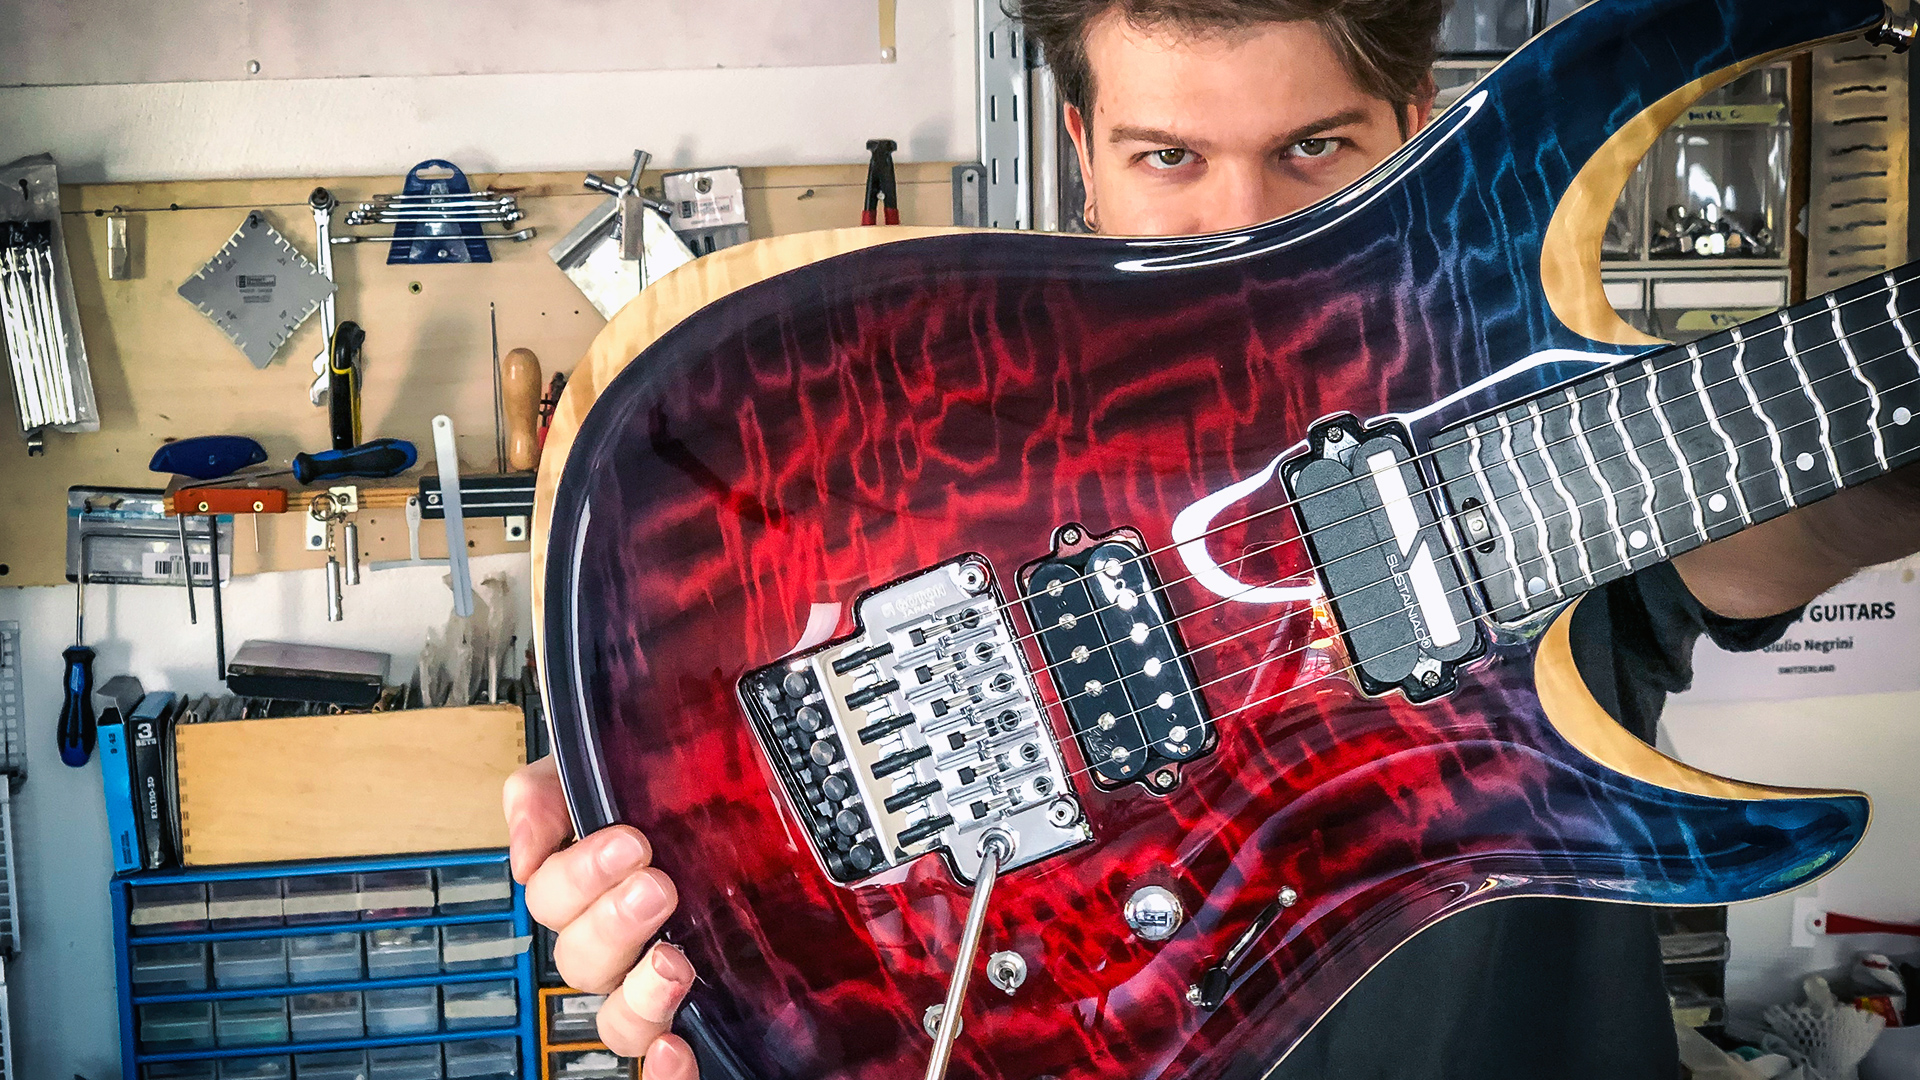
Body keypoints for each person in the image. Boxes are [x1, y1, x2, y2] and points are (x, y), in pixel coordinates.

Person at [502, 2, 1920, 1075]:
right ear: (1082, 152)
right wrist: (707, 975)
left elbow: (1802, 516)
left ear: (1423, 130)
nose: (1243, 233)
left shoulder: (1528, 404)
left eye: (1314, 150)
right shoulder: (911, 424)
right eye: (1170, 156)